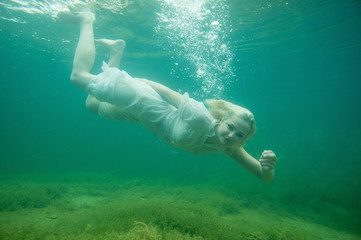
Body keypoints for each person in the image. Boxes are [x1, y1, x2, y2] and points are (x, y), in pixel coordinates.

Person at [56, 10, 277, 182]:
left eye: (240, 135)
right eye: (230, 127)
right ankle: (86, 20)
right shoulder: (201, 117)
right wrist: (134, 84)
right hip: (140, 99)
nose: (232, 135)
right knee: (78, 77)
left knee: (91, 104)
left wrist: (268, 168)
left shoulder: (229, 147)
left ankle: (116, 50)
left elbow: (262, 176)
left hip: (140, 116)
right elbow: (168, 93)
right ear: (221, 119)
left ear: (244, 140)